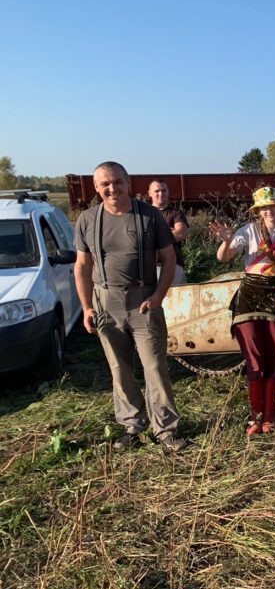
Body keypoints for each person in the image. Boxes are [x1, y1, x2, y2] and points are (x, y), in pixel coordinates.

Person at [73, 161, 185, 451]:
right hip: (105, 303)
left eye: (117, 182)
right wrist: (86, 307)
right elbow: (82, 266)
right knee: (119, 369)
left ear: (128, 182)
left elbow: (169, 260)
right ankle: (132, 426)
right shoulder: (87, 219)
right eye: (105, 184)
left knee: (155, 367)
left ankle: (166, 430)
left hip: (143, 301)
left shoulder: (149, 216)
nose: (112, 188)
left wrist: (159, 296)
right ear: (96, 188)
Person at [209, 187, 275, 436]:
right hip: (249, 298)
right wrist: (225, 240)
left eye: (273, 206)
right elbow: (224, 257)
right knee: (255, 361)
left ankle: (270, 416)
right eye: (264, 207)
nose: (269, 211)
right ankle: (255, 418)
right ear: (258, 211)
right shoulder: (249, 231)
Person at [147, 179, 188, 285]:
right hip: (148, 267)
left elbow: (180, 233)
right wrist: (168, 231)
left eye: (164, 190)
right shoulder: (143, 214)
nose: (161, 194)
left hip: (173, 266)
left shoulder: (176, 213)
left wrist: (152, 235)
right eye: (157, 191)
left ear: (168, 192)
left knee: (175, 300)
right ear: (150, 193)